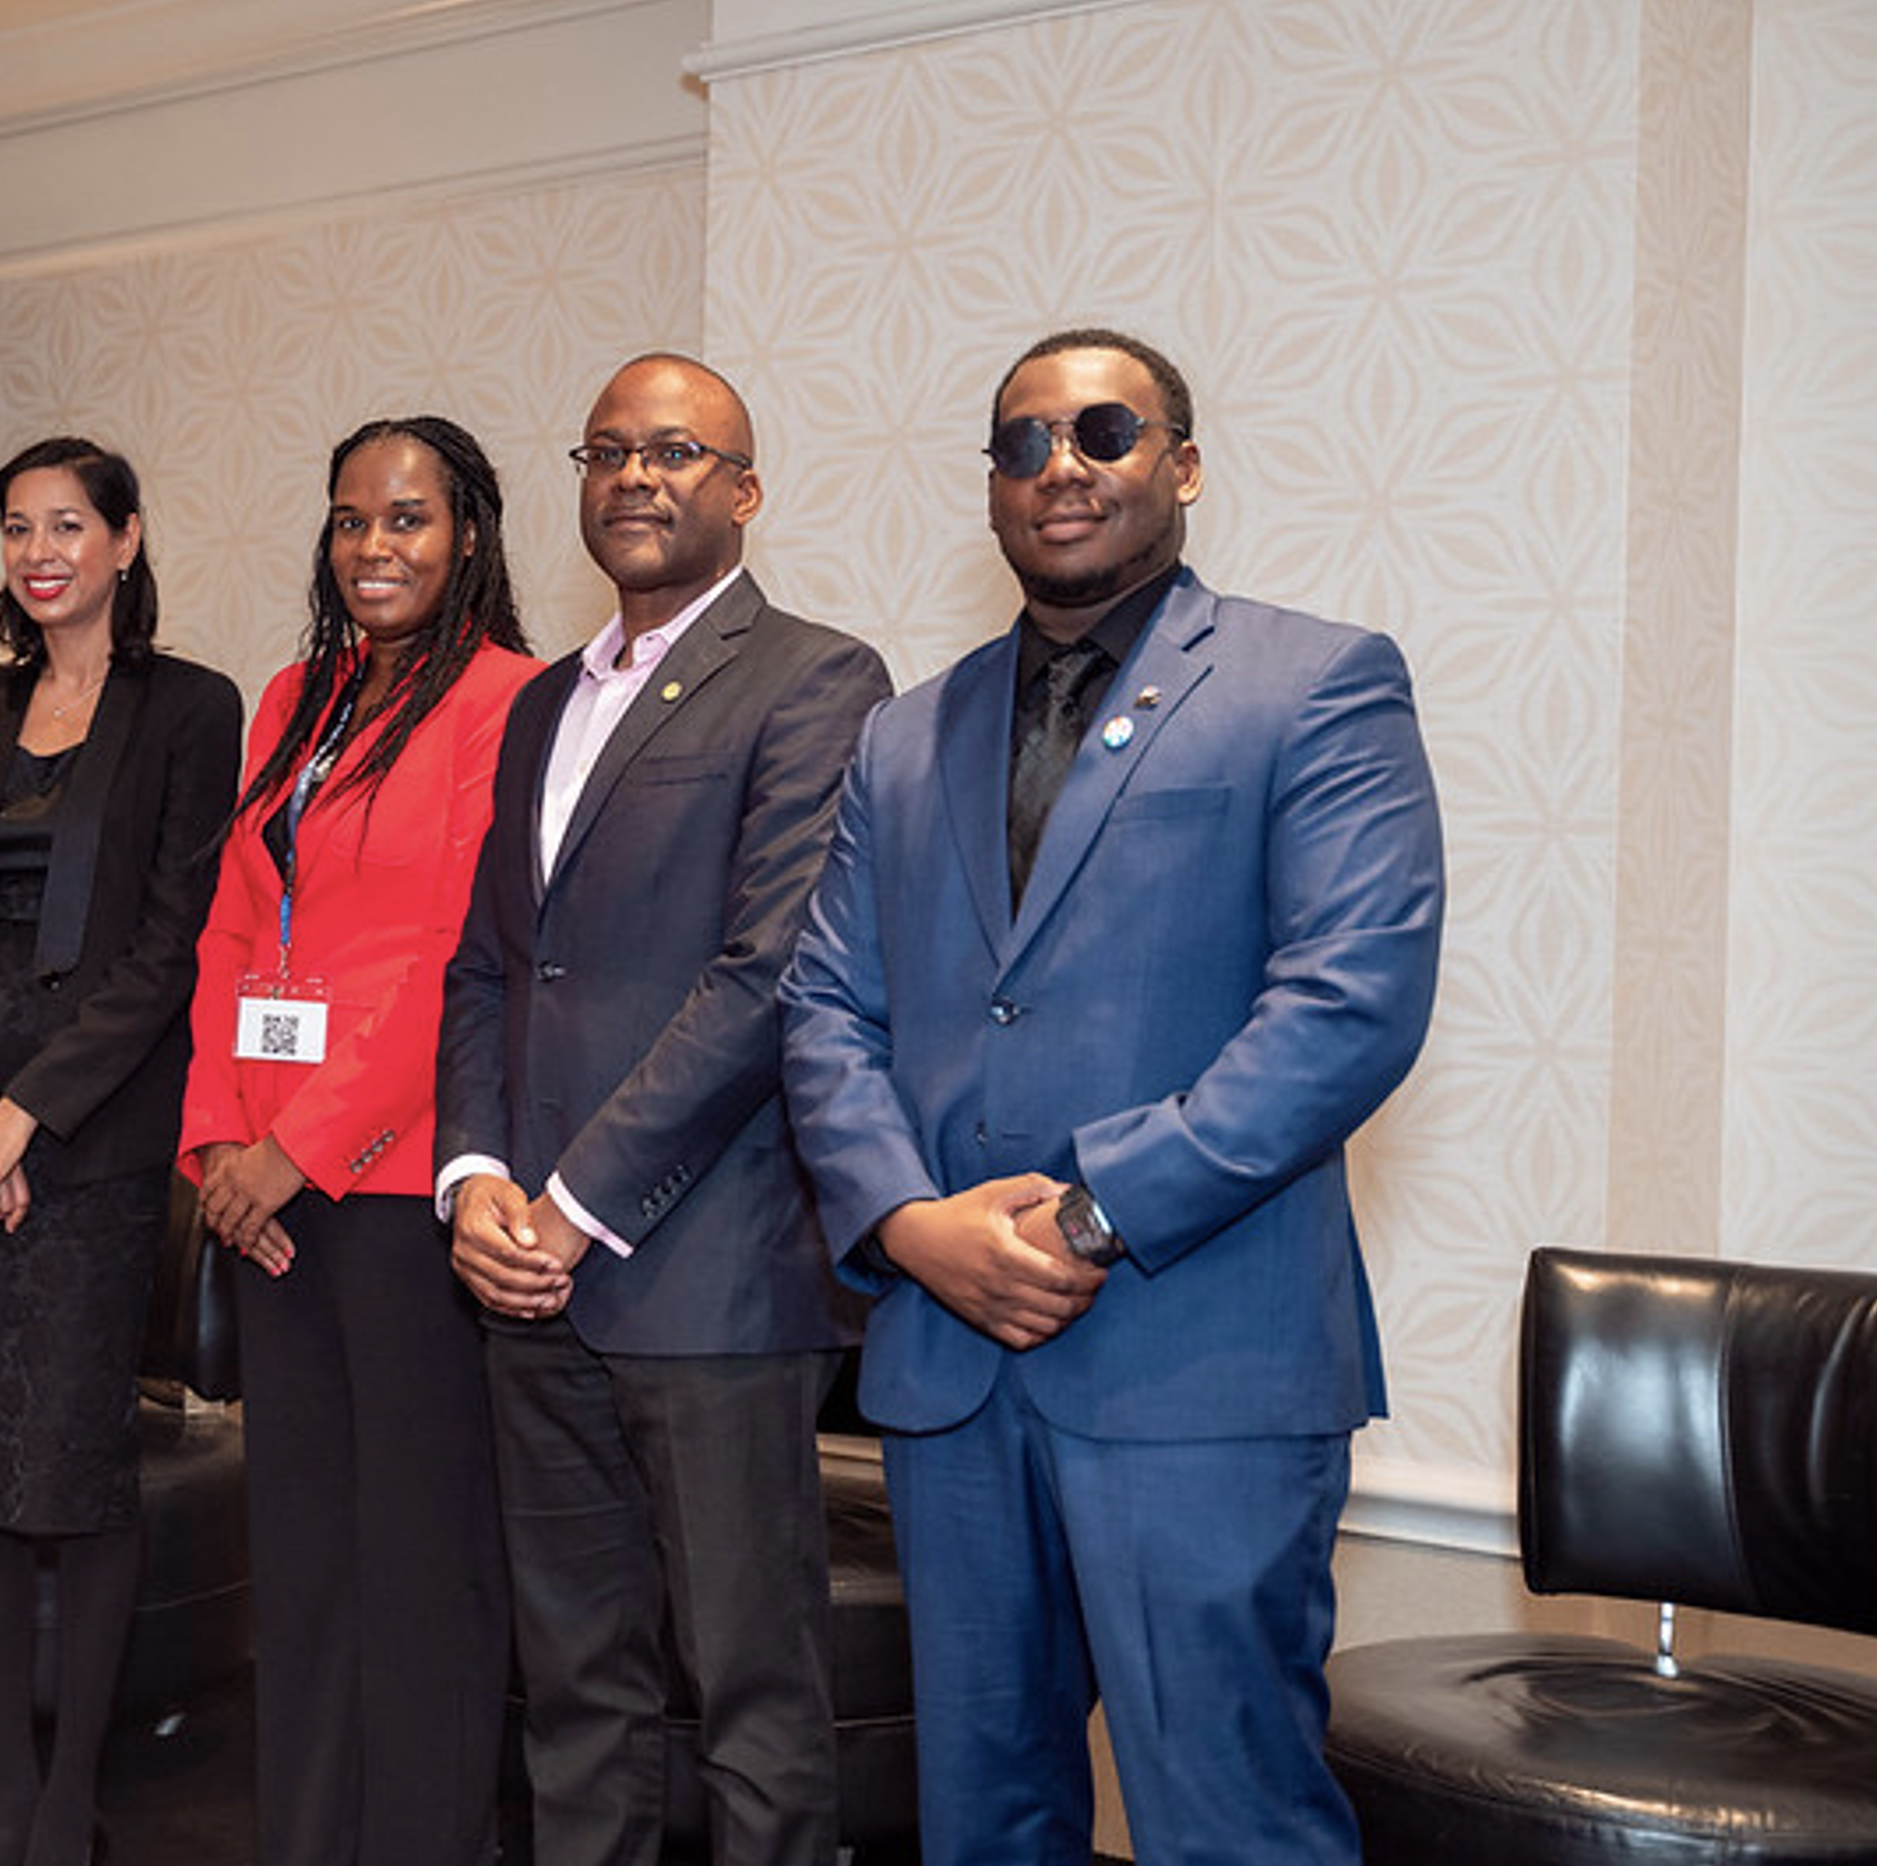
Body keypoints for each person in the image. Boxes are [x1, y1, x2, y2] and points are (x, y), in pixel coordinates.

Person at [777, 327, 1446, 1865]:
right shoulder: (903, 731)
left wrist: (1091, 1212)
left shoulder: (1317, 682)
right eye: (1022, 445)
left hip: (1198, 1357)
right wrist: (910, 1221)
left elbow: (1348, 1008)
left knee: (1231, 1820)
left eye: (1102, 432)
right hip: (950, 1359)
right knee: (985, 1820)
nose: (1058, 469)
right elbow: (823, 1006)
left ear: (1184, 465)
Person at [436, 353, 891, 1866]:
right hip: (526, 1284)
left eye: (679, 451)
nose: (637, 475)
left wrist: (571, 1204)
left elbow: (766, 977)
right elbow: (495, 967)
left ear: (744, 492)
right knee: (574, 1688)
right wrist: (478, 1179)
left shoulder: (819, 677)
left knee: (754, 1695)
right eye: (609, 450)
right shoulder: (537, 705)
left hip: (707, 1276)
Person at [0, 438, 240, 1866]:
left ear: (127, 540)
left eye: (69, 524)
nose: (40, 551)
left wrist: (28, 1117)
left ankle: (73, 1787)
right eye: (18, 526)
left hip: (90, 1139)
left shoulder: (189, 709)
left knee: (76, 1476)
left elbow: (170, 946)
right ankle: (2, 1789)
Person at [179, 415, 538, 1866]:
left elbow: (457, 953)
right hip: (265, 1199)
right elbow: (226, 926)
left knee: (419, 1569)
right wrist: (217, 1149)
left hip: (397, 1194)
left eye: (407, 519)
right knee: (305, 1563)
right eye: (351, 520)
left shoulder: (509, 697)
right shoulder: (294, 695)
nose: (374, 547)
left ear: (467, 535)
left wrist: (308, 1144)